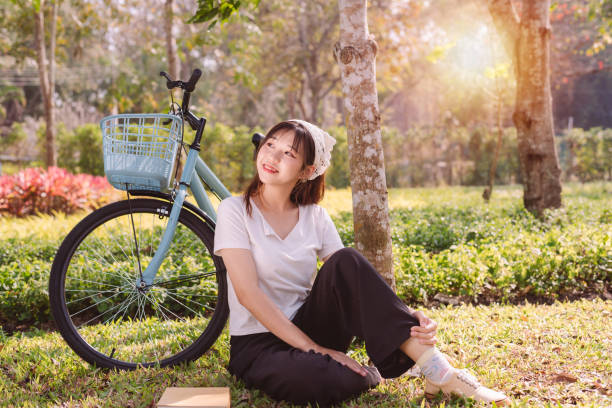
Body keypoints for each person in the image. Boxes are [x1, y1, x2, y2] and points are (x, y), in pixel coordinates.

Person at [213, 120, 510, 407]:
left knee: (347, 258)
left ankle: (439, 371)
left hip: (310, 325)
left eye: (289, 153)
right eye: (270, 145)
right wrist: (318, 351)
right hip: (259, 345)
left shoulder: (315, 216)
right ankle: (353, 371)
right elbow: (247, 294)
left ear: (307, 170)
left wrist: (407, 314)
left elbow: (353, 281)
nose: (272, 156)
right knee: (319, 379)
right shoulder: (234, 210)